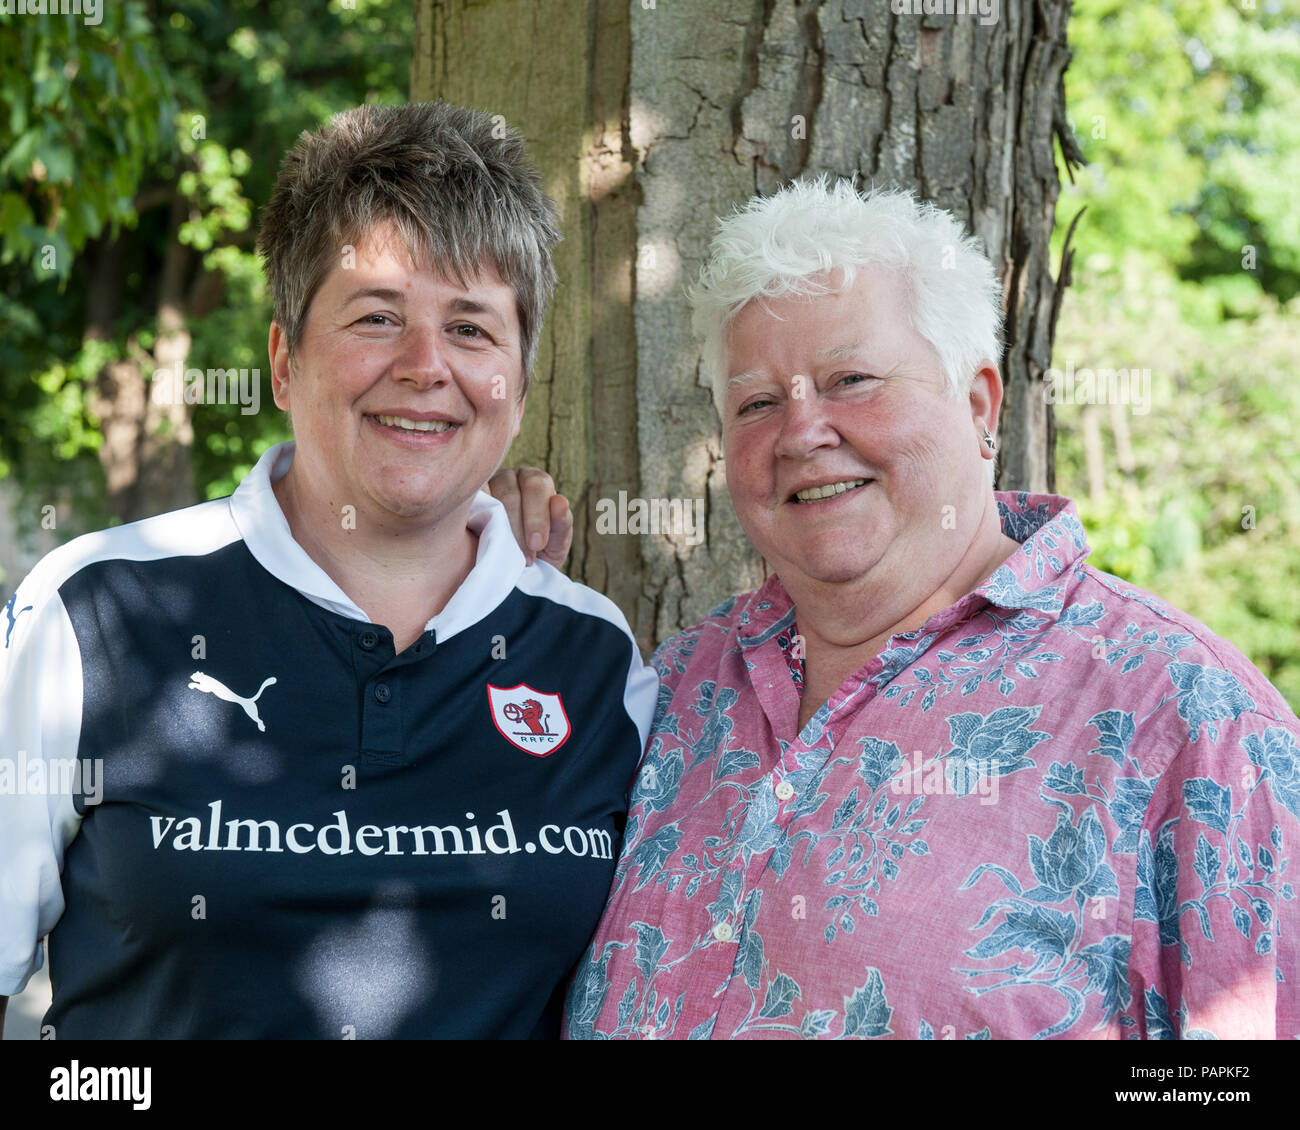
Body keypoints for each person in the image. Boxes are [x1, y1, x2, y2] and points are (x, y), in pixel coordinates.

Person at [494, 178, 1300, 1039]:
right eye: (758, 402)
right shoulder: (681, 684)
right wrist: (477, 583)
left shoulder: (1188, 717)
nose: (802, 431)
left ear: (980, 403)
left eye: (852, 379)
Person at [0, 101, 656, 1039]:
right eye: (377, 317)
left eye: (472, 329)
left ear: (519, 382)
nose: (426, 366)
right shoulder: (93, 614)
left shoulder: (598, 658)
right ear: (282, 358)